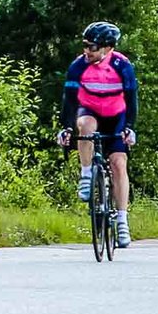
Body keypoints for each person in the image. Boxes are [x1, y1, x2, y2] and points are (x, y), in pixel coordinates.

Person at [58, 21, 136, 248]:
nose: (87, 51)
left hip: (116, 117)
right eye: (85, 45)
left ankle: (122, 220)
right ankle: (86, 175)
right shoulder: (78, 66)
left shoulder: (122, 66)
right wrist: (66, 128)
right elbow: (69, 101)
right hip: (90, 111)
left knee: (118, 164)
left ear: (108, 48)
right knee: (85, 126)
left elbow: (131, 100)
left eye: (92, 47)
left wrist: (129, 127)